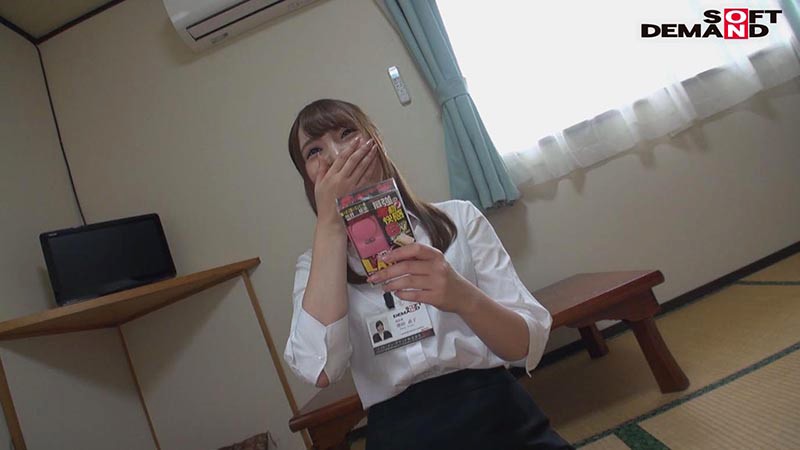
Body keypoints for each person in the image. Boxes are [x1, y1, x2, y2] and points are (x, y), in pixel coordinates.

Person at [283, 99, 573, 450]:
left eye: (346, 133)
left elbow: (524, 347)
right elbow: (320, 369)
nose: (336, 154)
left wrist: (462, 296)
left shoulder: (459, 219)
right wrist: (330, 225)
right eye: (314, 151)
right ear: (307, 179)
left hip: (495, 407)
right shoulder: (313, 266)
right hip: (400, 430)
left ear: (376, 140)